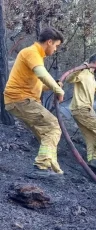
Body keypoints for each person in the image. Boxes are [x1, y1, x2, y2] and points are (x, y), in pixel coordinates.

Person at [4, 27, 65, 177]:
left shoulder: (35, 56)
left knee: (47, 133)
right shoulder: (32, 52)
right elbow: (42, 74)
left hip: (20, 99)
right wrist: (58, 89)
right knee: (53, 127)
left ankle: (53, 168)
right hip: (20, 99)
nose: (56, 49)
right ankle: (41, 167)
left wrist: (52, 86)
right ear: (49, 42)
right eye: (56, 45)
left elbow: (38, 84)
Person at [66, 55, 96, 173]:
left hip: (83, 110)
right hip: (81, 109)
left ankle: (92, 171)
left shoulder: (91, 77)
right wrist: (81, 68)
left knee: (91, 139)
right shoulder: (84, 72)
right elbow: (69, 79)